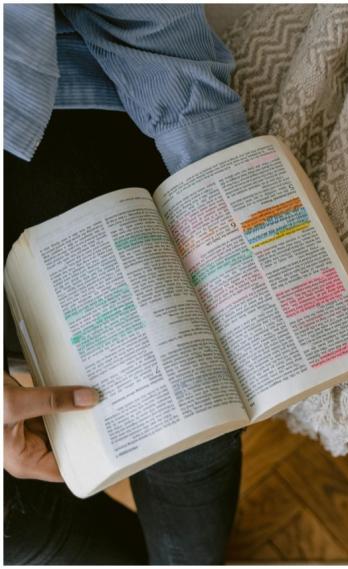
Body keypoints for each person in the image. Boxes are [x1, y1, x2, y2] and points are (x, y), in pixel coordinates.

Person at [4, 4, 252, 564]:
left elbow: (144, 17)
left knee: (190, 416)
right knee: (10, 526)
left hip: (39, 110)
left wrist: (215, 175)